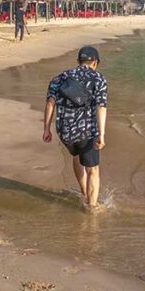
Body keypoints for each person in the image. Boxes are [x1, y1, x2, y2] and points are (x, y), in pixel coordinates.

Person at [43, 46, 108, 209]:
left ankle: (84, 193)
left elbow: (50, 103)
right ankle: (92, 208)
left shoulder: (61, 77)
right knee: (93, 170)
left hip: (65, 132)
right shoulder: (98, 78)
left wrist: (46, 129)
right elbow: (101, 107)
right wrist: (101, 134)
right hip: (87, 131)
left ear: (79, 61)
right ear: (95, 62)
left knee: (77, 156)